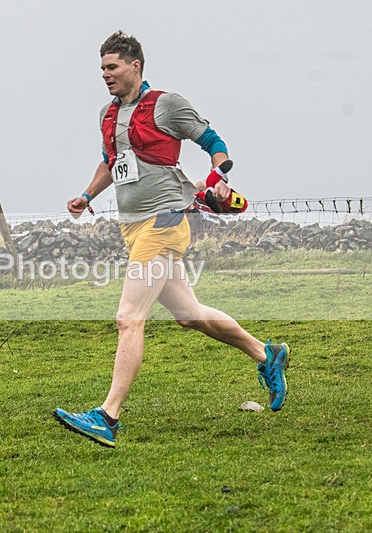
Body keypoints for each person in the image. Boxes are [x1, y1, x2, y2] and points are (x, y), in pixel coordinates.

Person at [53, 31, 290, 448]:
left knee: (129, 317)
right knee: (190, 314)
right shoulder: (108, 115)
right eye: (102, 69)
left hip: (164, 222)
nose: (106, 75)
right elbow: (113, 163)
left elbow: (214, 144)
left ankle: (107, 416)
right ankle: (265, 353)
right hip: (133, 226)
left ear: (135, 66)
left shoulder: (166, 103)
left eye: (112, 67)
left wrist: (217, 180)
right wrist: (87, 195)